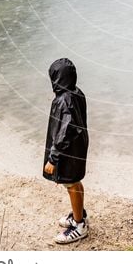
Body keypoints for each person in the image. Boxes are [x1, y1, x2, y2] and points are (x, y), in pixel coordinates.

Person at [43, 57, 90, 244]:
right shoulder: (76, 92)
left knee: (71, 184)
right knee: (75, 182)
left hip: (68, 150)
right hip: (78, 145)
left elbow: (64, 133)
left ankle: (79, 226)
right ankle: (79, 214)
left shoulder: (63, 101)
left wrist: (53, 158)